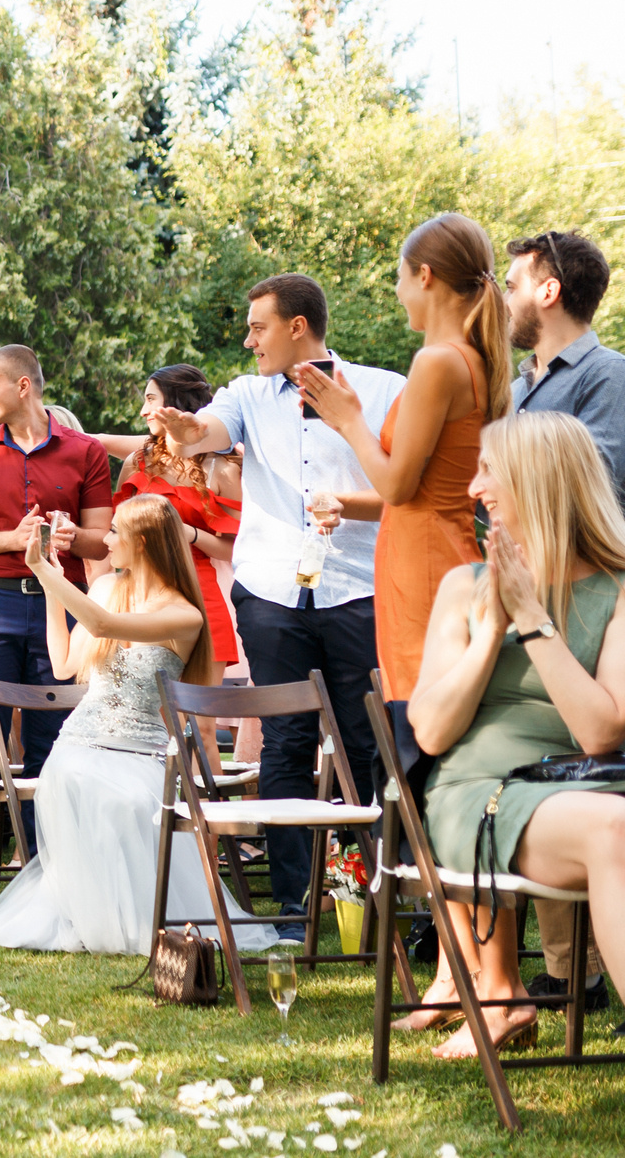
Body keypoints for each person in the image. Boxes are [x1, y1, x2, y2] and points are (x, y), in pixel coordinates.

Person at [157, 274, 406, 940]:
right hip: (271, 591)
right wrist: (186, 431)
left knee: (364, 743)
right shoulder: (244, 393)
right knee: (287, 744)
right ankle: (297, 906)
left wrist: (346, 504)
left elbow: (406, 485)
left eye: (258, 326)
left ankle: (367, 895)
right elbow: (205, 432)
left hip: (358, 589)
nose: (248, 339)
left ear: (299, 326)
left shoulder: (384, 390)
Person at [0, 494, 282, 955]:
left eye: (115, 531)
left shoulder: (185, 615)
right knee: (71, 778)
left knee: (129, 799)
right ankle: (91, 913)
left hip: (141, 750)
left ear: (144, 541)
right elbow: (61, 664)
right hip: (79, 742)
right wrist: (53, 581)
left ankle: (134, 917)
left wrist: (45, 571)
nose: (106, 540)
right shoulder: (106, 589)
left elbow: (102, 624)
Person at [406, 412, 625, 1060]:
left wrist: (534, 617)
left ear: (538, 481)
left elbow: (598, 732)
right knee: (612, 828)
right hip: (481, 794)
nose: (474, 487)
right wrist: (492, 628)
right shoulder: (462, 586)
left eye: (487, 469)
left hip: (588, 782)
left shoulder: (615, 591)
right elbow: (431, 729)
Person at [298, 212, 512, 703]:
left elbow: (398, 487)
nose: (398, 292)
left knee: (422, 711)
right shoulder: (472, 360)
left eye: (399, 277)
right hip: (432, 545)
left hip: (423, 559)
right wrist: (345, 502)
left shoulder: (438, 361)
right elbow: (419, 491)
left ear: (425, 276)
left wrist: (348, 419)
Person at [0, 346, 113, 913]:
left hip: (59, 607)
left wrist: (67, 536)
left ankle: (49, 873)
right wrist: (14, 539)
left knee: (52, 744)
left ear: (24, 386)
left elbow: (102, 539)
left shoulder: (86, 452)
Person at [502, 229, 625, 1014]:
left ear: (549, 288)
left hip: (594, 600)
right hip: (532, 592)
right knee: (548, 753)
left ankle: (585, 969)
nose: (506, 294)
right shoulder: (521, 384)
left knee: (591, 750)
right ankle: (566, 970)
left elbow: (597, 482)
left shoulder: (609, 377)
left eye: (514, 280)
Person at [113, 366, 242, 677]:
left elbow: (234, 549)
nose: (144, 411)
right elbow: (114, 533)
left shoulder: (223, 470)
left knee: (203, 723)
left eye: (150, 400)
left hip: (201, 593)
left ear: (176, 404)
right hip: (138, 593)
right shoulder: (137, 462)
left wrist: (188, 534)